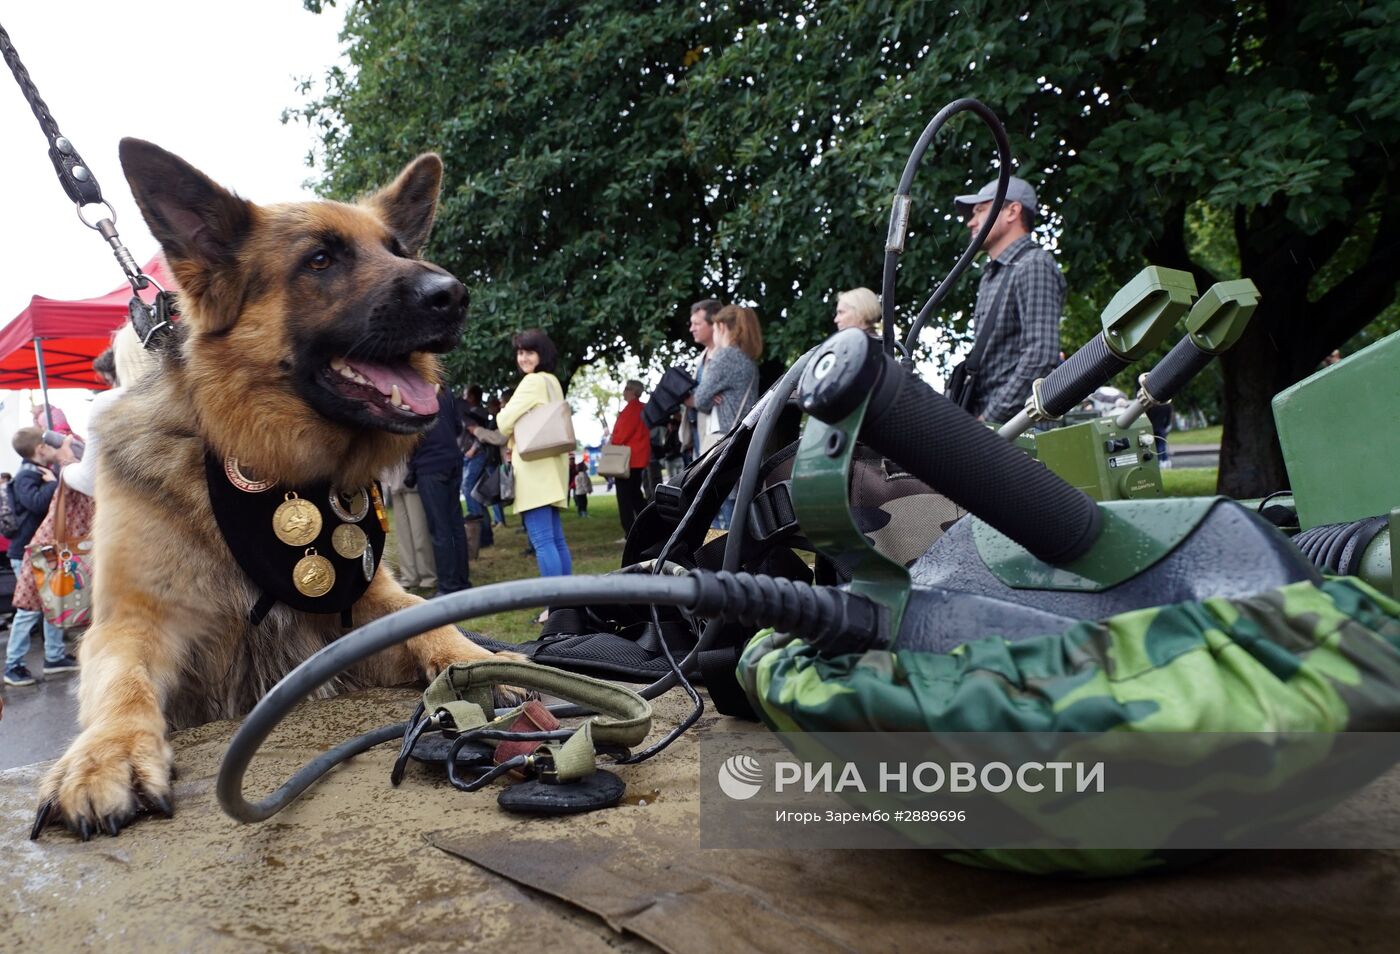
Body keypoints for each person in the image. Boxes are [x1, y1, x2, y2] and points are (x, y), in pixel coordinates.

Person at [952, 175, 1066, 425]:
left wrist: (988, 420)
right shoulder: (992, 274)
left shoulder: (1033, 264)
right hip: (997, 426)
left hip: (1019, 430)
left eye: (980, 210)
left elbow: (1040, 356)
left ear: (1012, 211)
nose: (971, 222)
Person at [475, 329, 573, 577]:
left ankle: (555, 599)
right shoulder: (552, 381)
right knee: (556, 539)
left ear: (542, 354)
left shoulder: (532, 382)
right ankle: (569, 596)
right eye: (520, 353)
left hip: (534, 468)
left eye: (530, 352)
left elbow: (503, 421)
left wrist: (506, 414)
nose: (523, 358)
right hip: (552, 466)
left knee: (542, 541)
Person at [4, 427, 79, 686]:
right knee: (29, 609)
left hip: (41, 552)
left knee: (52, 604)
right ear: (41, 449)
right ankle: (13, 665)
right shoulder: (27, 475)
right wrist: (52, 483)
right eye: (51, 445)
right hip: (26, 553)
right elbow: (36, 503)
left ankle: (54, 657)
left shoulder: (38, 472)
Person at [692, 304, 762, 528]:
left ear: (721, 327)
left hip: (724, 445)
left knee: (724, 520)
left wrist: (710, 395)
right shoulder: (747, 359)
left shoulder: (725, 357)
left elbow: (700, 400)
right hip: (742, 445)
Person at [407, 394, 471, 595]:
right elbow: (458, 427)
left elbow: (409, 434)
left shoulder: (413, 393)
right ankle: (462, 581)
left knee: (440, 528)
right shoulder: (446, 393)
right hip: (452, 461)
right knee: (456, 525)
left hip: (430, 464)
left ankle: (448, 586)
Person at [382, 459, 436, 591]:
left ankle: (428, 576)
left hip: (412, 481)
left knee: (419, 533)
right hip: (393, 483)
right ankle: (409, 576)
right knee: (403, 536)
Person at [609, 379, 653, 534]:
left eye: (627, 388)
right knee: (635, 494)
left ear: (633, 391)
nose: (624, 391)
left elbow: (622, 434)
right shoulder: (642, 408)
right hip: (637, 459)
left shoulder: (632, 409)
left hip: (627, 460)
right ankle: (646, 526)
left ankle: (630, 530)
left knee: (624, 498)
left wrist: (613, 440)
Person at [682, 298, 722, 459]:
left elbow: (705, 400)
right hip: (699, 435)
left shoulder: (727, 357)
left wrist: (692, 399)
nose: (691, 329)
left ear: (714, 323)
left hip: (718, 439)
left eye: (697, 324)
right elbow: (703, 398)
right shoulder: (701, 359)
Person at [458, 385, 495, 549]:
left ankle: (478, 528)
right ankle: (485, 535)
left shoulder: (475, 413)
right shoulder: (472, 412)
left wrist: (473, 450)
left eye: (465, 394)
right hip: (469, 456)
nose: (463, 397)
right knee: (476, 494)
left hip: (476, 455)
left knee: (468, 489)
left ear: (472, 396)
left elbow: (480, 433)